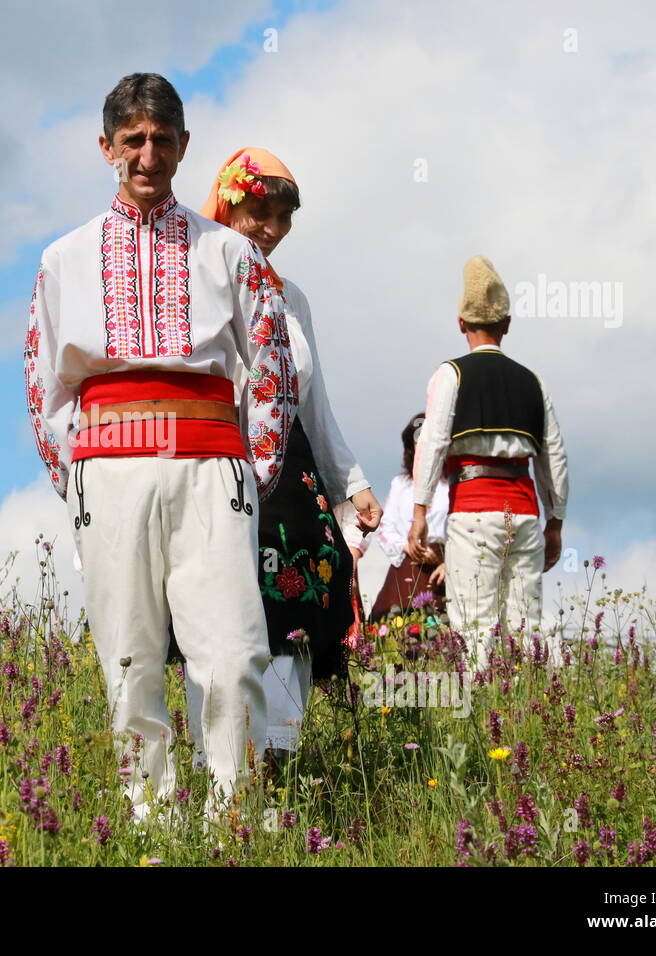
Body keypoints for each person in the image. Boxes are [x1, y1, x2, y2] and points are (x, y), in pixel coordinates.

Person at [24, 75, 298, 819]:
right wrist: (74, 480)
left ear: (184, 145)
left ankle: (232, 818)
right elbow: (44, 381)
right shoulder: (63, 258)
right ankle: (149, 822)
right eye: (133, 140)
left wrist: (257, 469)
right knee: (128, 657)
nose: (148, 156)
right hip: (108, 470)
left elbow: (271, 365)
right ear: (106, 147)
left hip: (212, 467)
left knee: (234, 651)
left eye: (162, 140)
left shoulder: (231, 252)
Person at [179, 148, 381, 766]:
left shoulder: (293, 299)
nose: (271, 228)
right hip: (217, 461)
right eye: (258, 212)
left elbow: (312, 401)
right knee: (220, 607)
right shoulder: (194, 283)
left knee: (294, 603)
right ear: (228, 204)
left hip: (291, 481)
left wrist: (351, 482)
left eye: (283, 217)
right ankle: (216, 760)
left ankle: (278, 756)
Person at [408, 256, 569, 667]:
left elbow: (433, 442)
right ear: (507, 324)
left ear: (460, 323)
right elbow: (553, 454)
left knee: (474, 625)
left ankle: (482, 702)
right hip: (526, 516)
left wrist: (420, 511)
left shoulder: (451, 375)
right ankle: (526, 701)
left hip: (473, 514)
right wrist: (555, 522)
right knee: (525, 625)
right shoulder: (533, 381)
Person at [362, 412, 449, 623]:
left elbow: (464, 527)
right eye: (418, 444)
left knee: (441, 631)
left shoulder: (452, 485)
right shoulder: (401, 484)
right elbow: (385, 528)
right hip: (406, 566)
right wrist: (407, 546)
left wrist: (451, 563)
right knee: (394, 627)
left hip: (443, 570)